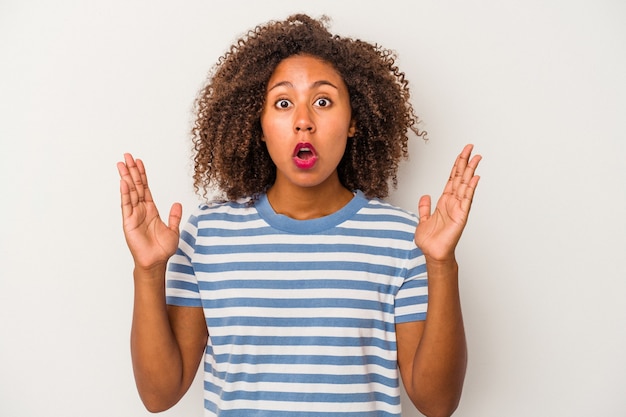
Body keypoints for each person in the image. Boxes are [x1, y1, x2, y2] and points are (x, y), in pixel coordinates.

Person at [117, 13, 481, 417]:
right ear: (258, 124)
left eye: (323, 101)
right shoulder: (208, 235)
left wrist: (442, 264)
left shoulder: (403, 239)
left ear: (354, 121)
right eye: (283, 103)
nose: (303, 121)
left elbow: (438, 403)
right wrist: (148, 271)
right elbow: (158, 395)